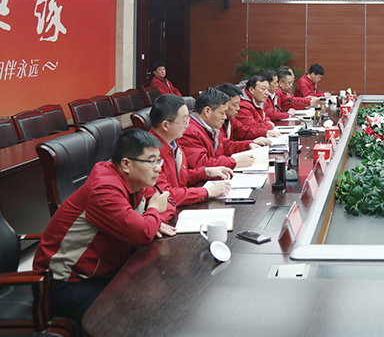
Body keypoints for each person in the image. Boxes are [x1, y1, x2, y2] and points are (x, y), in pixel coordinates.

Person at [33, 129, 176, 325]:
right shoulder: (104, 190)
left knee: (163, 292)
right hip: (68, 282)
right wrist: (153, 212)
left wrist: (154, 220)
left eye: (159, 161)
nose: (158, 168)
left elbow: (168, 204)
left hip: (105, 267)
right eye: (152, 161)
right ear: (126, 164)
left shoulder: (136, 180)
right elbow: (142, 232)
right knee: (128, 317)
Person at [150, 94, 232, 206]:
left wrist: (206, 172)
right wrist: (207, 192)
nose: (187, 125)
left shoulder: (173, 143)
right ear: (165, 125)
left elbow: (180, 179)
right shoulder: (149, 154)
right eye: (184, 121)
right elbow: (165, 196)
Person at [182, 87, 265, 171]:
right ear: (207, 111)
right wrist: (233, 161)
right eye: (222, 113)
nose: (225, 117)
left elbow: (225, 146)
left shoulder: (211, 125)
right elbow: (201, 164)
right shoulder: (189, 131)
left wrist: (248, 145)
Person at [233, 74, 278, 139]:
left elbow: (266, 118)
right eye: (263, 89)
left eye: (268, 89)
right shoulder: (243, 105)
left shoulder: (258, 101)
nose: (267, 93)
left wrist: (268, 124)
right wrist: (269, 125)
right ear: (251, 90)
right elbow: (252, 129)